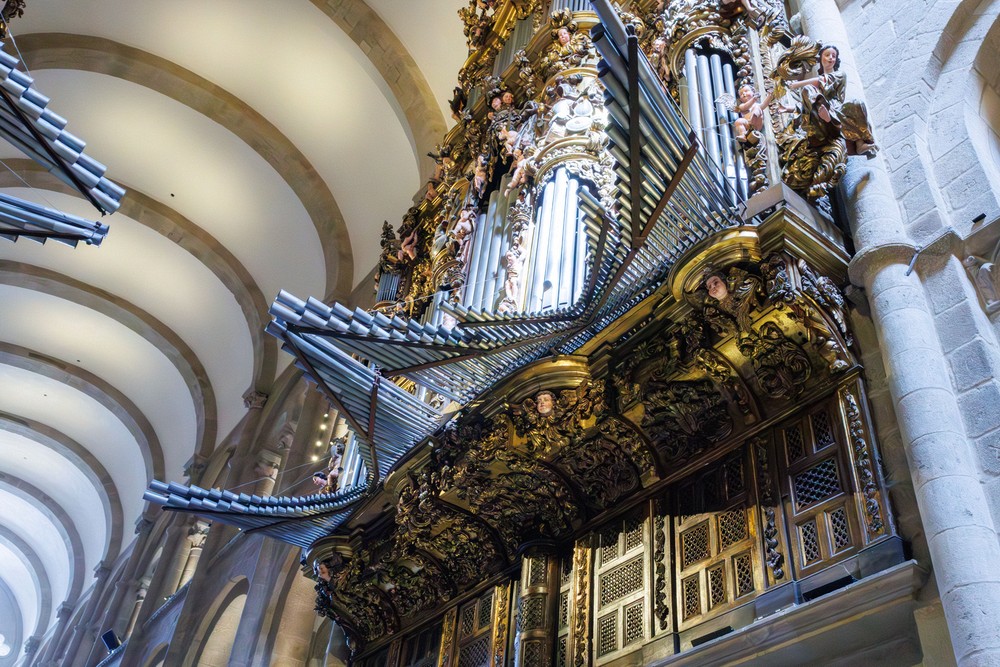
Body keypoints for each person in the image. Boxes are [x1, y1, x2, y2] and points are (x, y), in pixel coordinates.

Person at [785, 45, 877, 157]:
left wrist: (797, 84)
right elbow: (805, 104)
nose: (830, 58)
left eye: (833, 56)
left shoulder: (840, 75)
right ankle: (824, 118)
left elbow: (822, 80)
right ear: (821, 58)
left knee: (857, 104)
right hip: (819, 112)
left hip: (837, 109)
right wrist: (787, 109)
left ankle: (860, 143)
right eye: (827, 55)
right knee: (808, 90)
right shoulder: (813, 89)